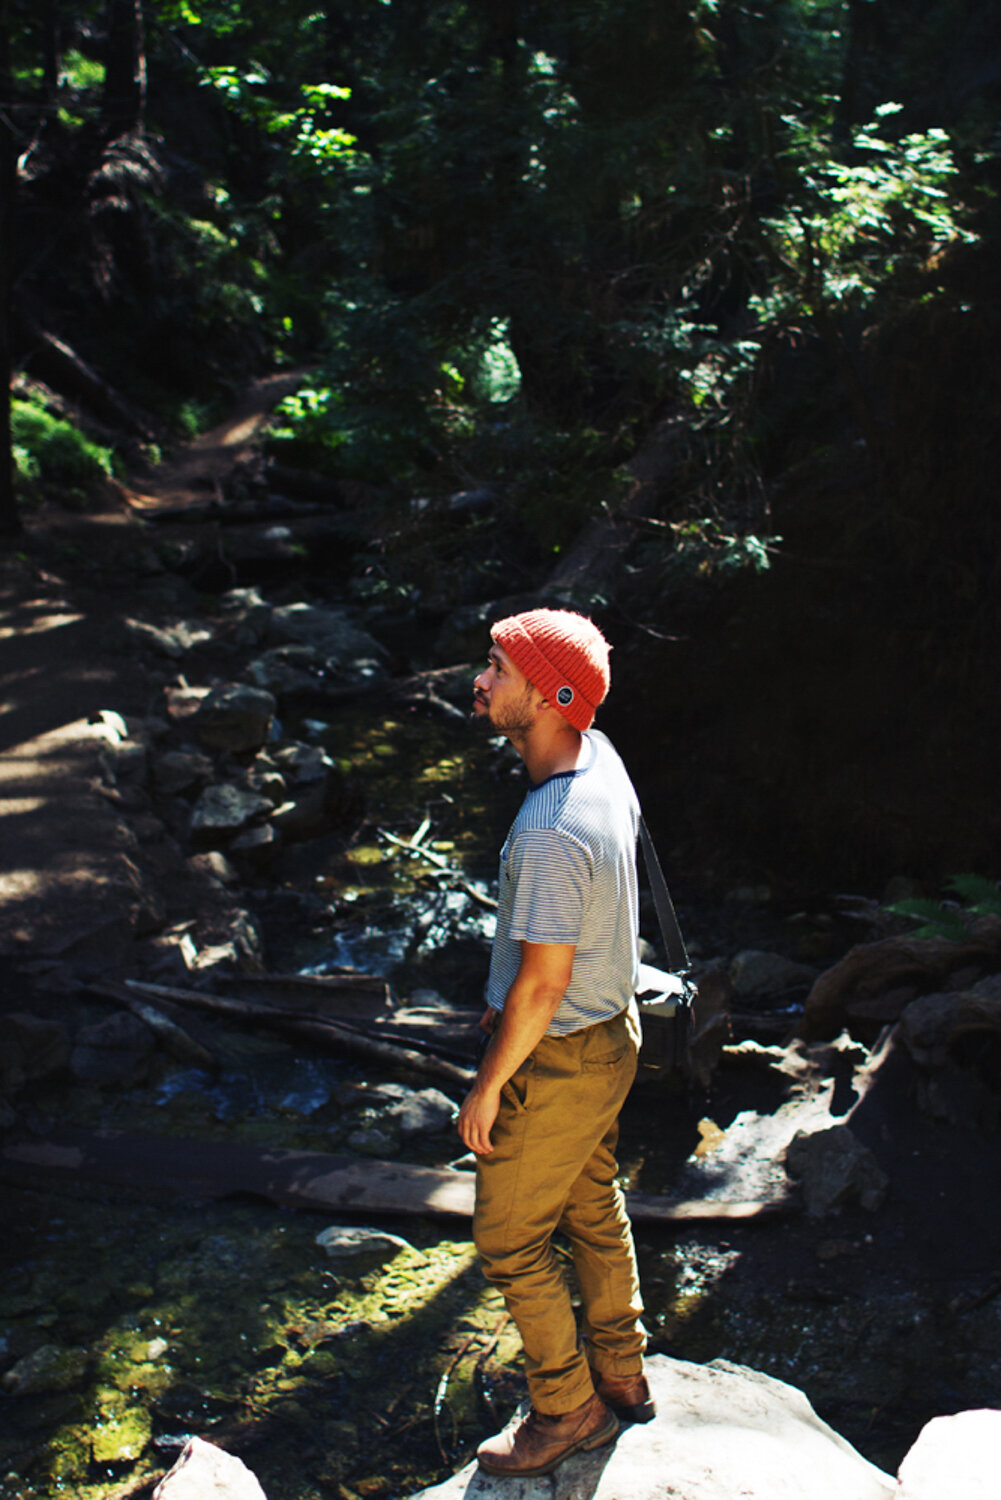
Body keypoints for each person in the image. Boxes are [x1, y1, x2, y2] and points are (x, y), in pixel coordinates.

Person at [458, 606, 653, 1478]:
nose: (482, 680)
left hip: (562, 1052)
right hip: (615, 1033)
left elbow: (539, 988)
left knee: (508, 1241)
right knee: (589, 1201)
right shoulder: (599, 759)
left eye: (499, 668)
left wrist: (487, 1087)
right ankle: (622, 1373)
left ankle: (567, 1409)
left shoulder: (547, 831)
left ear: (547, 697)